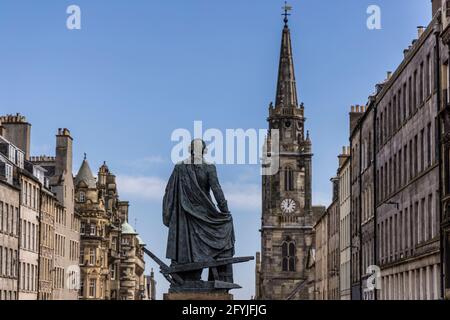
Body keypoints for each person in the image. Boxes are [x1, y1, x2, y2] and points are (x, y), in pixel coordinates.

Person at [163, 139, 235, 283]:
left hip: (185, 215)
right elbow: (217, 191)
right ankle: (214, 271)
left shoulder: (179, 167)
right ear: (203, 151)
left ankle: (192, 275)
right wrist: (225, 212)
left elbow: (169, 192)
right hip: (202, 214)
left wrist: (168, 214)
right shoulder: (209, 167)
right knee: (226, 226)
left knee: (189, 245)